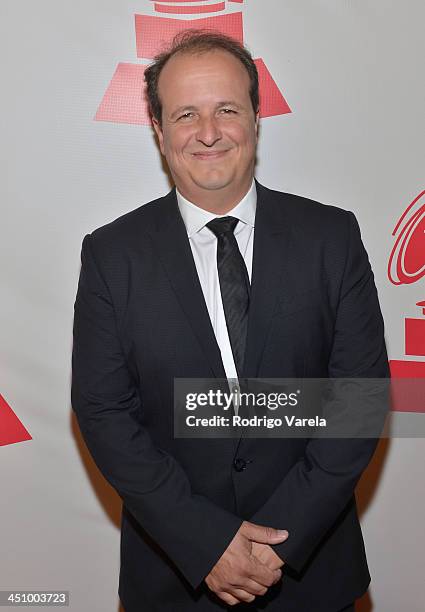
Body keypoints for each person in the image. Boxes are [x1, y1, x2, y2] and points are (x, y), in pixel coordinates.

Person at [71, 30, 389, 611]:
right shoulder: (112, 255)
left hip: (310, 574)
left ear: (257, 118)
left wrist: (276, 543)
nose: (209, 132)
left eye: (227, 109)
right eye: (186, 113)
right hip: (176, 577)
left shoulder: (331, 237)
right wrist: (206, 543)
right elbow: (103, 411)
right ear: (159, 130)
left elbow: (360, 399)